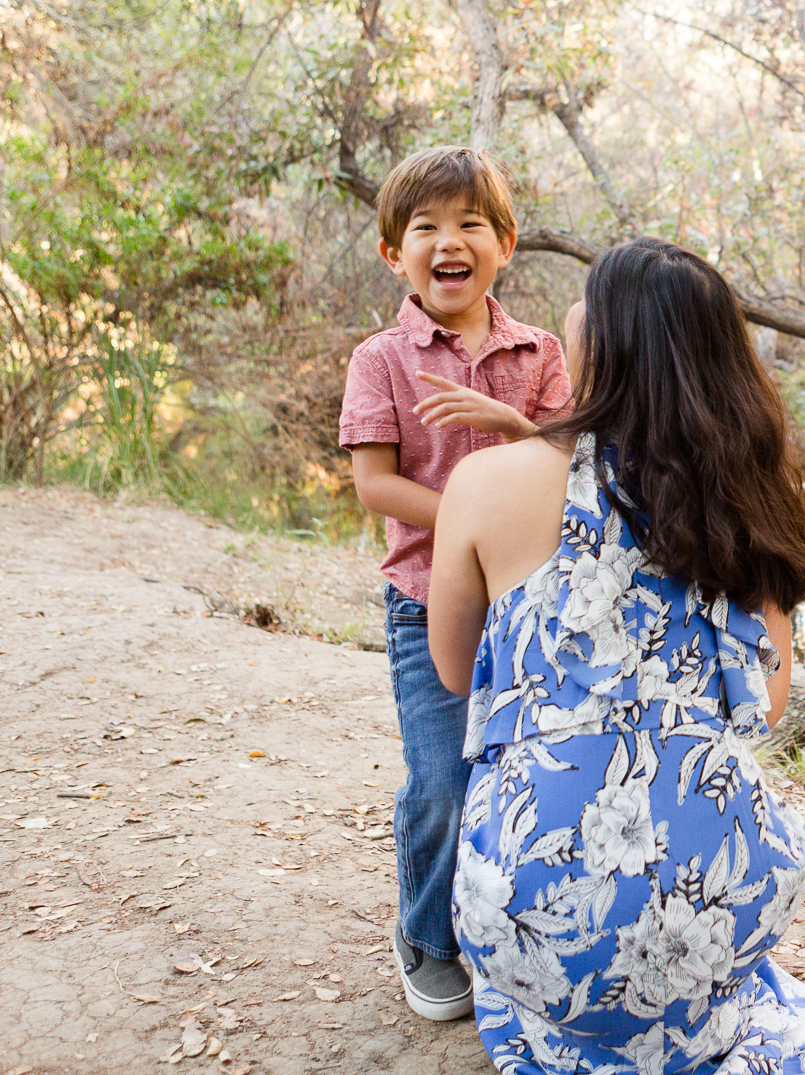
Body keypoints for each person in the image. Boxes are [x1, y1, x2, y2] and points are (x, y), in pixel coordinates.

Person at [425, 237, 805, 1075]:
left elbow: (456, 673)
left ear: (603, 342)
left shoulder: (486, 483)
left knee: (551, 969)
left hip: (534, 910)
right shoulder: (743, 496)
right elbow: (771, 701)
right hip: (712, 898)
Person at [339, 145, 573, 1022]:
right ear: (394, 252)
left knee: (523, 778)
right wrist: (470, 516)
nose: (450, 240)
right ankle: (426, 937)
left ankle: (507, 929)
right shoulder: (382, 359)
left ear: (504, 244)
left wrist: (516, 423)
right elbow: (375, 483)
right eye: (426, 226)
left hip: (528, 609)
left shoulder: (540, 352)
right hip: (422, 601)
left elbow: (569, 467)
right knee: (440, 781)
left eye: (470, 223)